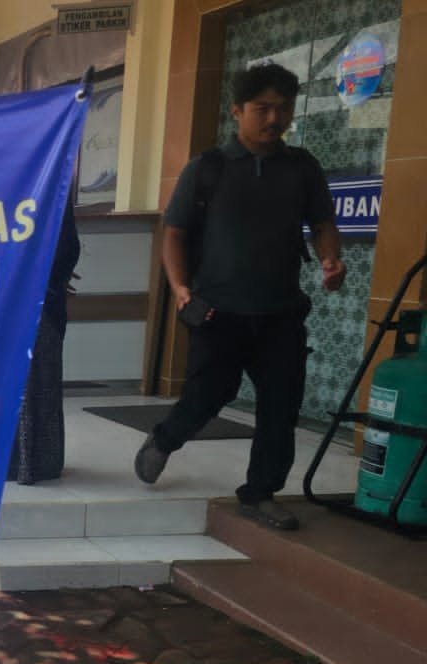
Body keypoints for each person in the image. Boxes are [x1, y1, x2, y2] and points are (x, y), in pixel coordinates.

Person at [134, 62, 346, 531]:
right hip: (218, 311)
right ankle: (166, 439)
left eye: (283, 108)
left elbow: (323, 225)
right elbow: (174, 231)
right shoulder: (208, 168)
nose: (274, 118)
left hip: (280, 314)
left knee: (279, 407)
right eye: (262, 108)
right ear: (237, 111)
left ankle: (260, 493)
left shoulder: (302, 168)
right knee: (208, 395)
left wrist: (331, 260)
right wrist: (180, 286)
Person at [9, 196, 80, 484]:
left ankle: (16, 461)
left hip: (5, 297)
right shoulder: (48, 180)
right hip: (36, 301)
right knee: (34, 383)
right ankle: (31, 462)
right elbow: (65, 248)